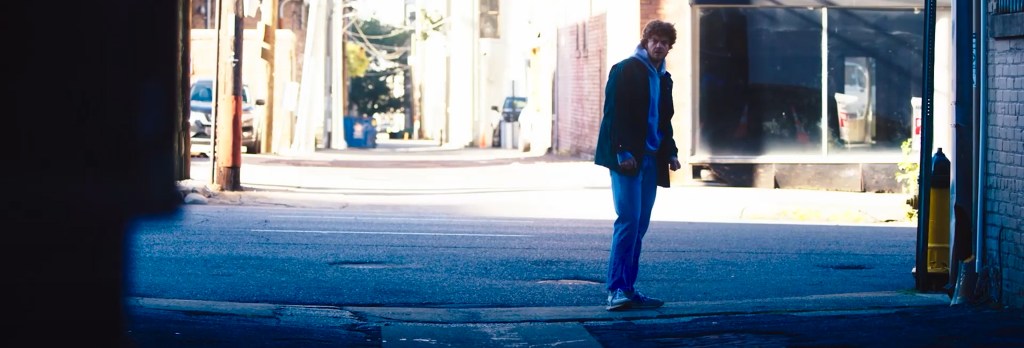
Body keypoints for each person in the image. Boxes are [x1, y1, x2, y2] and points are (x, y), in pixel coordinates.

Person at [594, 19, 681, 311]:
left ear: (669, 47)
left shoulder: (664, 77)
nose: (658, 45)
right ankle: (615, 290)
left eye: (664, 41)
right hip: (627, 159)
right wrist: (621, 150)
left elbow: (664, 120)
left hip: (651, 160)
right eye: (654, 40)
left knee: (640, 225)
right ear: (645, 42)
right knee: (628, 220)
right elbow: (613, 114)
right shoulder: (625, 69)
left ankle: (628, 289)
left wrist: (671, 152)